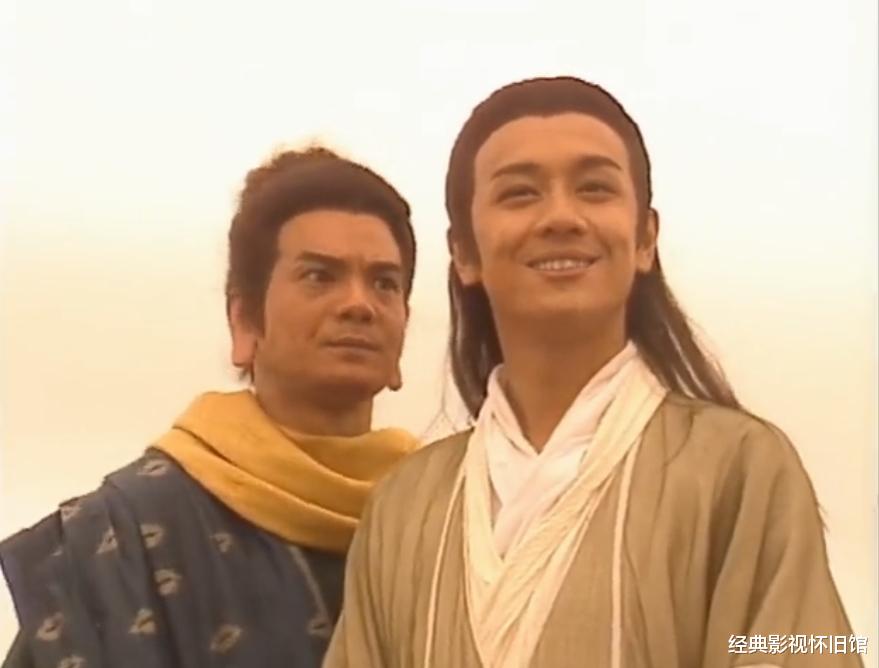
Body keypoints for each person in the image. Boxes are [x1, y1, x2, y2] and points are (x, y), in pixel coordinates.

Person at [324, 77, 861, 667]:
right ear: (465, 253)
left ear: (645, 238)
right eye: (520, 194)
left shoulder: (742, 468)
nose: (561, 216)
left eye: (595, 188)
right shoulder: (404, 505)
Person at [1, 146, 419, 668]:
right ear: (244, 321)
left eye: (384, 283)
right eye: (319, 276)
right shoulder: (125, 536)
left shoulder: (447, 515)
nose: (359, 303)